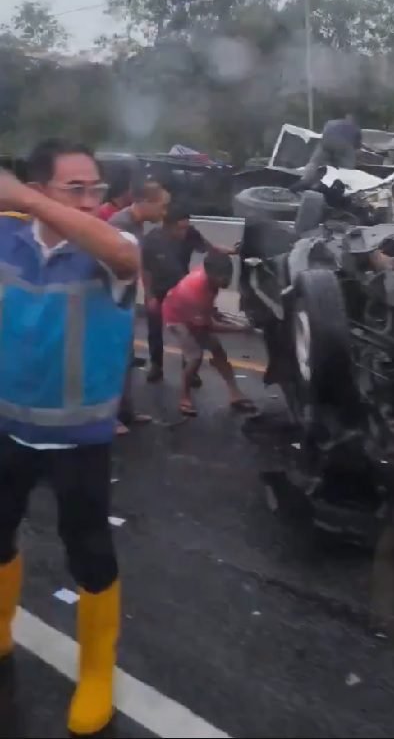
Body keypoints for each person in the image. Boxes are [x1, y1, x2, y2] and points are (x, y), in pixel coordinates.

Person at [0, 139, 141, 735]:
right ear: (40, 189)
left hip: (78, 437)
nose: (91, 200)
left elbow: (124, 255)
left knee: (88, 552)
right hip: (8, 427)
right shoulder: (8, 238)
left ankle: (97, 671)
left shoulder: (113, 248)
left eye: (96, 188)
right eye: (76, 188)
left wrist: (30, 198)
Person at [141, 204, 236, 383]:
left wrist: (228, 250)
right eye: (180, 228)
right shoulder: (152, 240)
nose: (184, 232)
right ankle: (156, 365)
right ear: (168, 225)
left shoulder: (190, 234)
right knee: (154, 328)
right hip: (159, 289)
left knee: (191, 331)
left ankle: (190, 370)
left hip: (182, 290)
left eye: (186, 227)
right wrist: (149, 295)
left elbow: (208, 248)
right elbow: (145, 270)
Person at [162, 252, 255, 417]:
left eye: (228, 274)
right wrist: (240, 329)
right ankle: (184, 397)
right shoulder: (195, 292)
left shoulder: (209, 277)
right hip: (176, 318)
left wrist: (211, 311)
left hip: (193, 311)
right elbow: (210, 326)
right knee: (195, 357)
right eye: (221, 276)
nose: (226, 279)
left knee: (218, 350)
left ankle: (235, 394)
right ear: (209, 274)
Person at [108, 181, 169, 433]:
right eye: (162, 206)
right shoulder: (120, 224)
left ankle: (126, 412)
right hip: (111, 303)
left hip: (125, 300)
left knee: (125, 358)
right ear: (145, 202)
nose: (165, 213)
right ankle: (108, 417)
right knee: (112, 359)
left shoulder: (136, 224)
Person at [292, 115, 362, 191]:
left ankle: (304, 180)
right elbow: (357, 149)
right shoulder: (356, 128)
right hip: (343, 144)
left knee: (314, 162)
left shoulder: (332, 123)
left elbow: (324, 134)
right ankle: (342, 187)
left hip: (325, 142)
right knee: (345, 169)